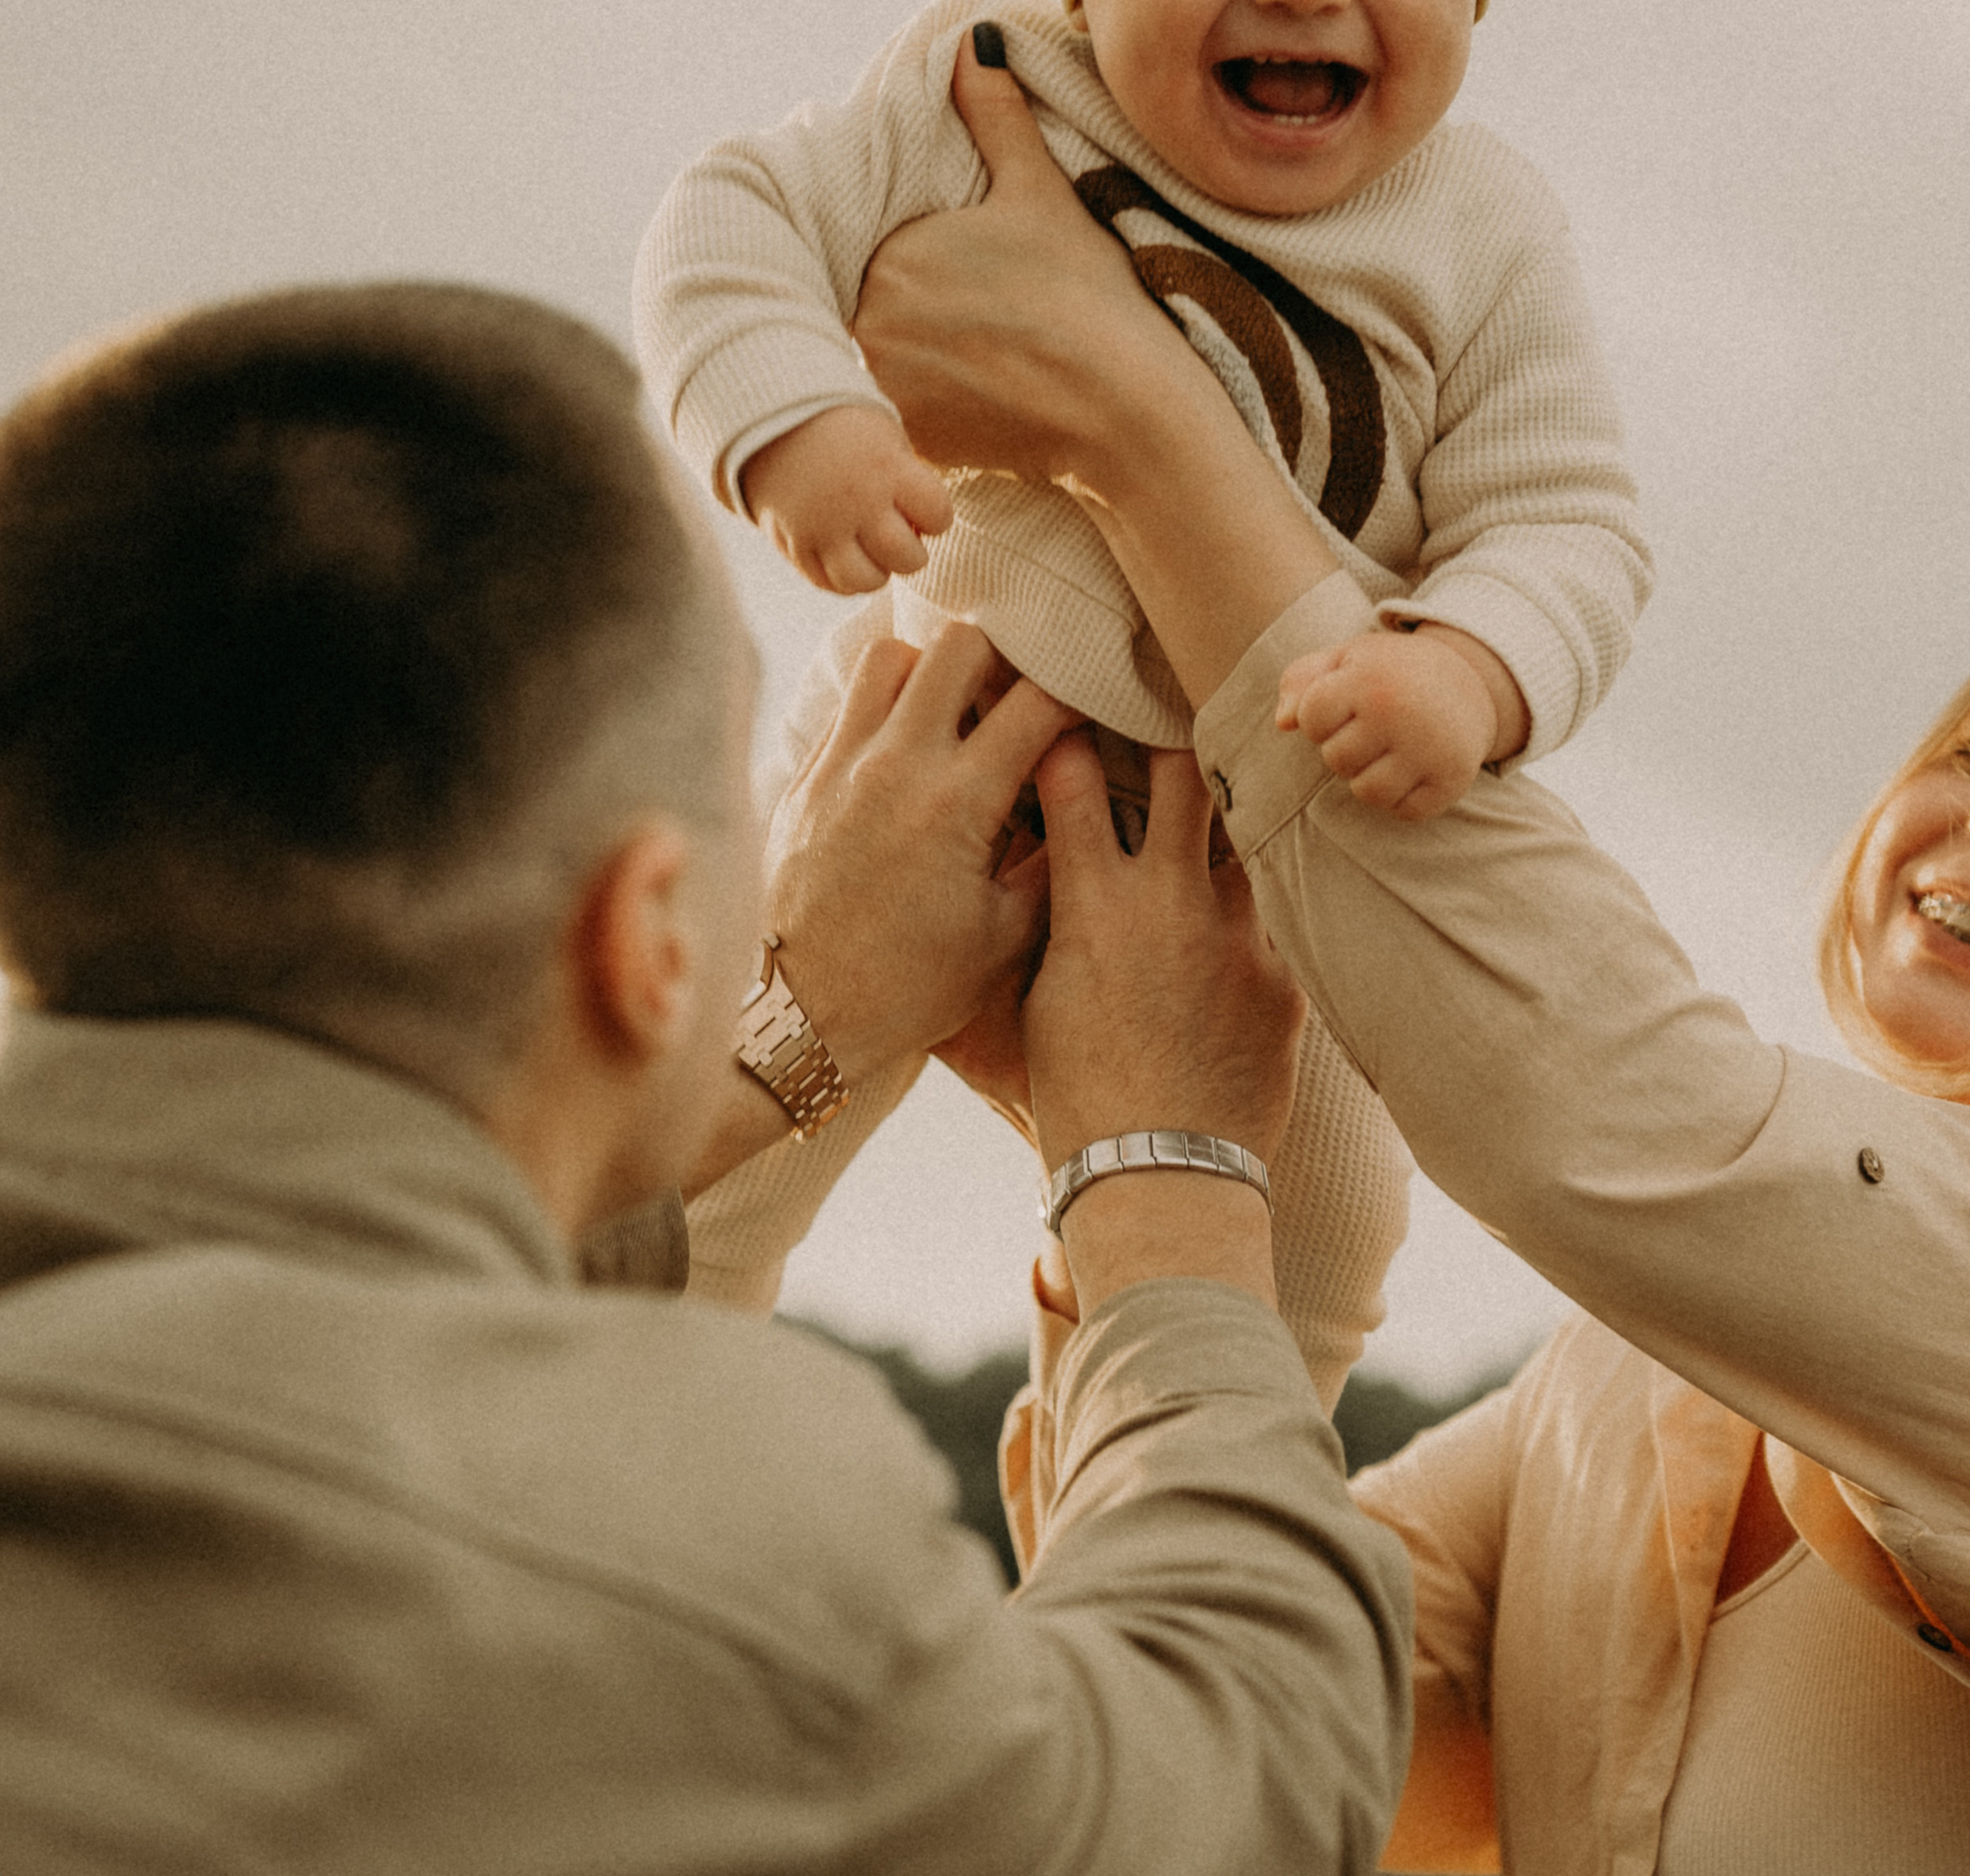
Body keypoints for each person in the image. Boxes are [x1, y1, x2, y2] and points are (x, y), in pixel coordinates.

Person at [841, 52, 1970, 1872]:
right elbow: (1226, 1725)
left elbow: (1611, 1101)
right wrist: (1136, 1092)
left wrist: (1142, 431)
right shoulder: (1629, 1386)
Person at [0, 283, 1415, 1873]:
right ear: (649, 928)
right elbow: (1235, 1791)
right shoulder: (708, 1554)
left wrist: (788, 1030)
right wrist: (1170, 1181)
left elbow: (299, 1251)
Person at [633, 0, 1650, 1398]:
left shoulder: (1483, 227)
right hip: (925, 726)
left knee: (1319, 1230)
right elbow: (733, 212)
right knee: (729, 1131)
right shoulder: (991, 82)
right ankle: (622, 1439)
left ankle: (1165, 1499)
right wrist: (792, 420)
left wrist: (1466, 663)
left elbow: (1566, 524)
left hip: (1244, 838)